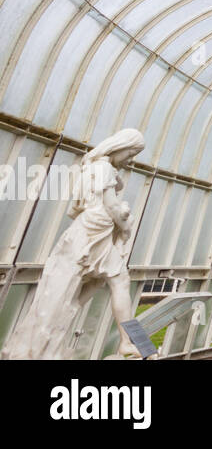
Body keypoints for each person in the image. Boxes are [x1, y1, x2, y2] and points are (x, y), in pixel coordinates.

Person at [1, 129, 146, 359]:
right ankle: (129, 342)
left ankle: (130, 341)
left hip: (91, 233)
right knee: (117, 281)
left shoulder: (95, 167)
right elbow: (111, 206)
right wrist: (126, 223)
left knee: (102, 284)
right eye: (131, 153)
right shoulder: (102, 168)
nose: (131, 159)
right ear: (120, 146)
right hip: (92, 234)